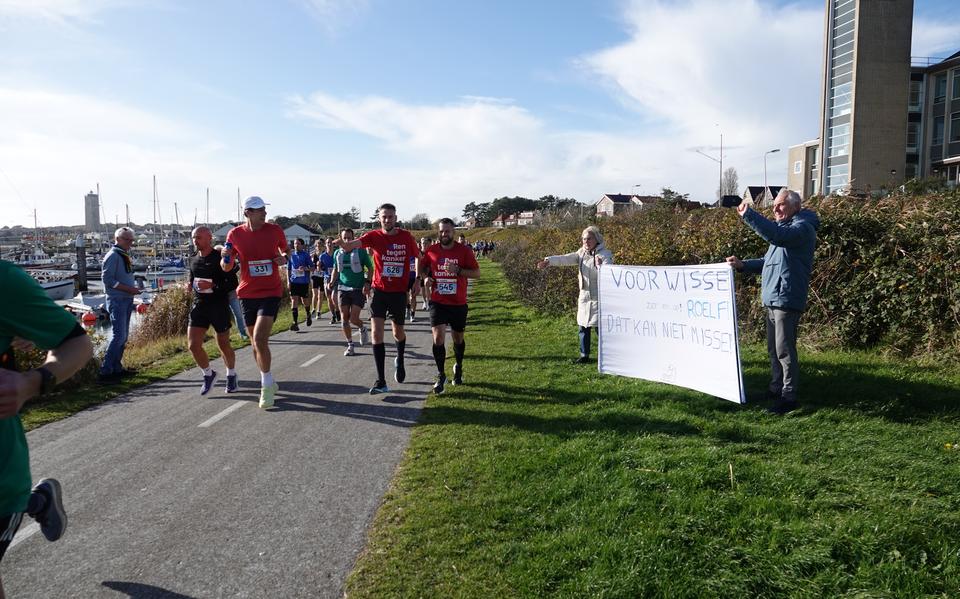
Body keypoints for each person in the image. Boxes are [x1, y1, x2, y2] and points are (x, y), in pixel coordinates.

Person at [1, 261, 95, 599]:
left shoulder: (4, 281)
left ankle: (30, 501)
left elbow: (77, 344)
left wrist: (30, 383)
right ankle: (39, 502)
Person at [725, 189, 820, 415]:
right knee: (773, 349)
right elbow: (767, 261)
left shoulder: (802, 229)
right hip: (773, 297)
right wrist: (743, 265)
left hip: (786, 298)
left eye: (781, 205)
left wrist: (749, 215)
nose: (776, 209)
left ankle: (788, 396)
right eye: (775, 205)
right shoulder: (785, 230)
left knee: (784, 350)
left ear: (795, 207)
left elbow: (777, 237)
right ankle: (776, 388)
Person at [334, 203, 419, 394]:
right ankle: (381, 381)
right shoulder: (373, 236)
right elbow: (351, 245)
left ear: (395, 218)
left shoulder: (406, 237)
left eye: (390, 216)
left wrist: (418, 279)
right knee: (376, 334)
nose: (387, 220)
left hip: (398, 292)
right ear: (379, 218)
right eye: (384, 217)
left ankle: (400, 358)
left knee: (398, 333)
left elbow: (418, 256)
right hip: (379, 291)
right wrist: (342, 244)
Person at [222, 196, 288, 409]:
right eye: (260, 210)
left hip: (271, 291)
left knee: (260, 338)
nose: (264, 213)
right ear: (248, 213)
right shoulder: (235, 234)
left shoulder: (275, 230)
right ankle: (267, 378)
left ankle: (266, 385)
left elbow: (286, 251)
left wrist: (283, 258)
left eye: (264, 210)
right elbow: (226, 266)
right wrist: (226, 257)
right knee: (255, 342)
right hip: (247, 293)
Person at [536, 226, 614, 363]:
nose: (586, 241)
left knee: (599, 329)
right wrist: (549, 261)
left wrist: (601, 266)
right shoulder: (581, 253)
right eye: (584, 239)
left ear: (597, 239)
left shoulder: (605, 254)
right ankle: (584, 355)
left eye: (589, 238)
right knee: (583, 326)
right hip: (584, 296)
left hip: (599, 297)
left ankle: (608, 356)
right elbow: (566, 258)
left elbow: (610, 272)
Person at [420, 218, 480, 394]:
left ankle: (458, 366)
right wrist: (425, 278)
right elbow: (422, 267)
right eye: (441, 231)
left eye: (447, 231)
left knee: (458, 339)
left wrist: (459, 271)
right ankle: (440, 375)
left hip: (458, 303)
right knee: (438, 339)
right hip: (438, 302)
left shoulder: (464, 251)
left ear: (453, 232)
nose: (444, 234)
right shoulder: (431, 250)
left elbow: (477, 273)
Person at [187, 227, 238, 395]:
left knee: (223, 344)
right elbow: (192, 278)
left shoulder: (219, 259)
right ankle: (208, 374)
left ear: (209, 238)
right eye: (194, 237)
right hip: (200, 305)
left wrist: (213, 286)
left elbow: (232, 284)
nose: (196, 240)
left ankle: (231, 375)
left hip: (218, 305)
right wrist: (190, 286)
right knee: (193, 345)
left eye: (199, 237)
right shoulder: (192, 258)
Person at [98, 227, 141, 384]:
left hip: (125, 298)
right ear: (118, 239)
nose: (131, 242)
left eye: (131, 240)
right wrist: (129, 288)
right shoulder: (114, 255)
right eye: (127, 239)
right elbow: (107, 279)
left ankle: (116, 368)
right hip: (117, 299)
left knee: (123, 336)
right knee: (119, 336)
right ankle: (105, 370)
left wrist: (131, 289)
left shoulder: (122, 255)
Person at [329, 228, 373, 356]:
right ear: (341, 238)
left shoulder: (361, 252)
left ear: (354, 239)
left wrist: (367, 282)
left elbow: (370, 268)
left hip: (358, 288)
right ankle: (350, 345)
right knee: (344, 319)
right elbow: (336, 269)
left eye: (349, 238)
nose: (347, 240)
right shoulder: (337, 252)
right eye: (345, 238)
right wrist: (332, 281)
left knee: (354, 318)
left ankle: (362, 328)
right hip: (343, 288)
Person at [287, 238, 313, 331]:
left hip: (303, 282)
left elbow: (312, 268)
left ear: (302, 245)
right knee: (294, 301)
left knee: (304, 301)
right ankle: (295, 323)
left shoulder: (306, 255)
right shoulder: (291, 255)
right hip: (294, 281)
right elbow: (289, 269)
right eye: (294, 244)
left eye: (298, 244)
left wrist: (305, 268)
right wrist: (288, 281)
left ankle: (308, 314)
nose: (296, 245)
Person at [309, 240, 326, 322]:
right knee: (315, 294)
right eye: (317, 245)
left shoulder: (325, 255)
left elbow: (327, 266)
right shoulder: (313, 255)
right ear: (315, 246)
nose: (318, 247)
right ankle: (313, 309)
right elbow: (309, 265)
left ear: (323, 247)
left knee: (321, 295)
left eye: (320, 245)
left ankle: (319, 311)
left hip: (322, 276)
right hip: (315, 276)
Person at [418, 237, 432, 311]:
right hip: (421, 271)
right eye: (423, 243)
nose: (424, 244)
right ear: (421, 244)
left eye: (426, 243)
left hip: (429, 270)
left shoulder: (430, 252)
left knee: (429, 287)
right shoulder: (419, 252)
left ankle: (429, 301)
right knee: (423, 288)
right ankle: (424, 301)